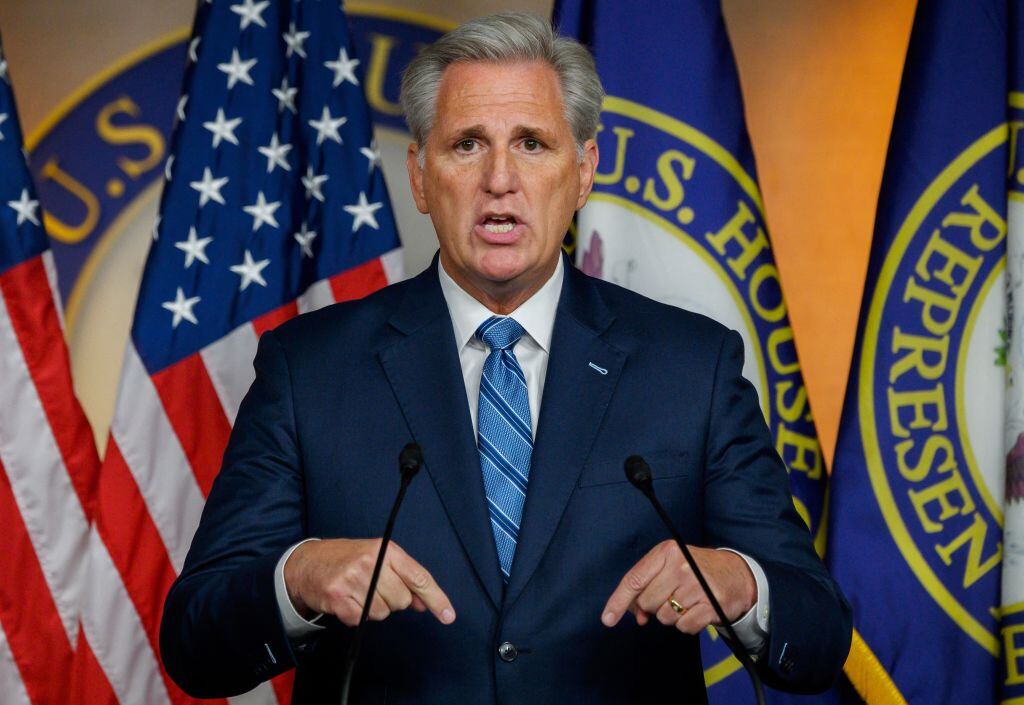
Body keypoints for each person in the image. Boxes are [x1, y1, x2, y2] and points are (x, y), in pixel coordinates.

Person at [160, 11, 851, 704]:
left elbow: (818, 632)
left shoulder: (692, 367)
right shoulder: (306, 368)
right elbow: (194, 640)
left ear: (582, 173)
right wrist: (296, 579)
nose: (500, 178)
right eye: (466, 144)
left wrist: (739, 583)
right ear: (421, 177)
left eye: (532, 143)